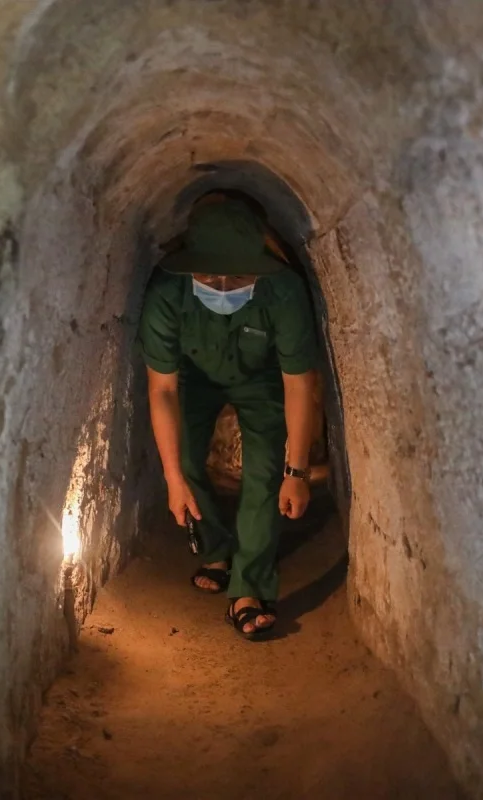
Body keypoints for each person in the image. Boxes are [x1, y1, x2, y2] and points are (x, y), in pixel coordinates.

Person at [138, 192, 318, 640]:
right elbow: (161, 389)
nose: (220, 285)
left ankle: (249, 586)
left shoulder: (283, 290)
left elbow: (299, 382)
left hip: (261, 378)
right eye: (208, 274)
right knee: (185, 459)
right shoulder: (167, 290)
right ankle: (215, 549)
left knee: (265, 473)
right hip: (192, 378)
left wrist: (297, 469)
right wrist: (172, 479)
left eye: (237, 275)